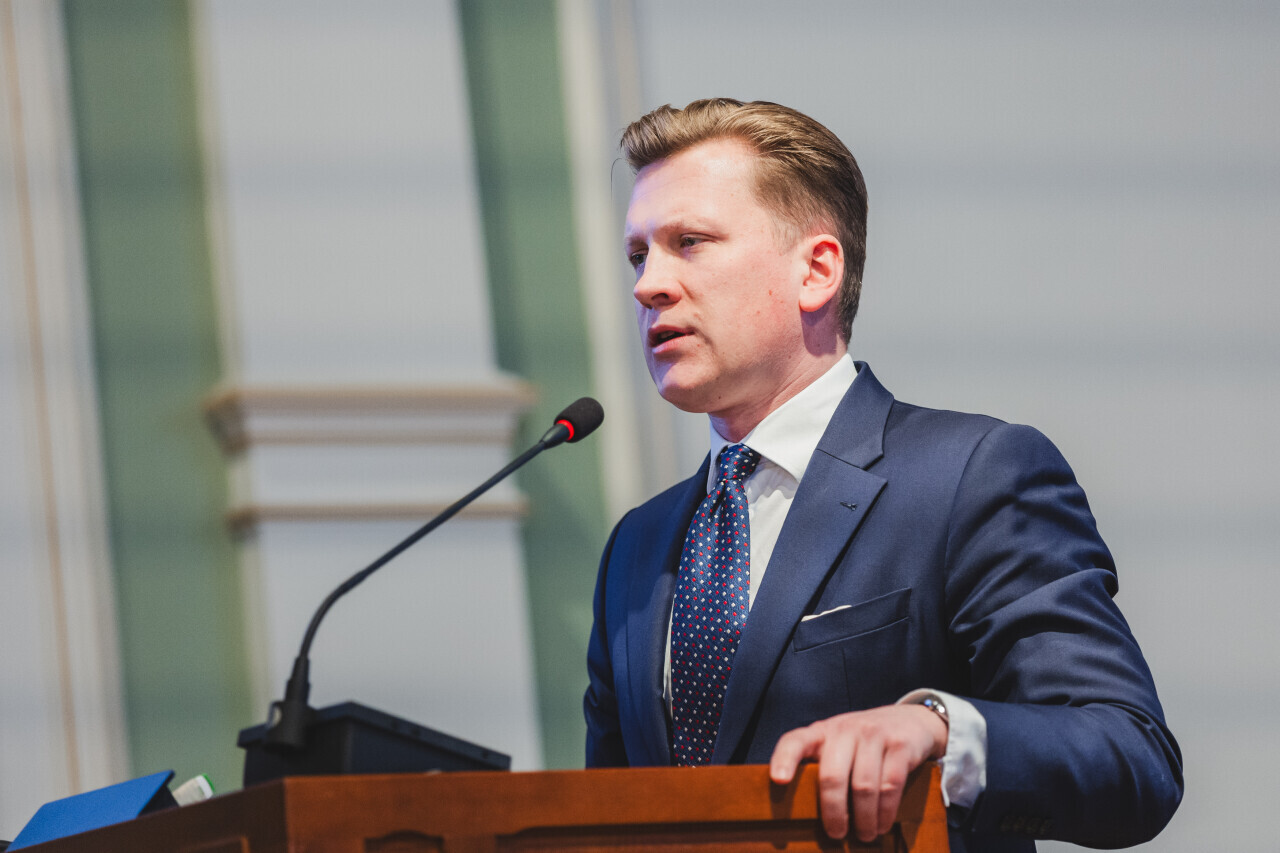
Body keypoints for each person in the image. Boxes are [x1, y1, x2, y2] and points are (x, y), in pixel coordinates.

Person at [583, 98, 1182, 851]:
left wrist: (938, 727)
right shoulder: (635, 548)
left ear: (816, 270)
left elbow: (1131, 757)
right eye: (639, 256)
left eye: (689, 243)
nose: (649, 285)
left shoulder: (970, 476)